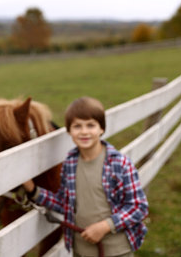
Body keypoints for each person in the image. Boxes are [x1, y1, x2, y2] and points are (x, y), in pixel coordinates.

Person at [23, 97, 148, 257]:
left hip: (116, 250)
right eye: (77, 126)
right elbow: (64, 204)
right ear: (69, 131)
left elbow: (138, 207)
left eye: (90, 125)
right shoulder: (70, 164)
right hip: (81, 250)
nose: (84, 131)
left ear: (101, 129)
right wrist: (33, 190)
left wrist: (105, 226)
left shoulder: (119, 163)